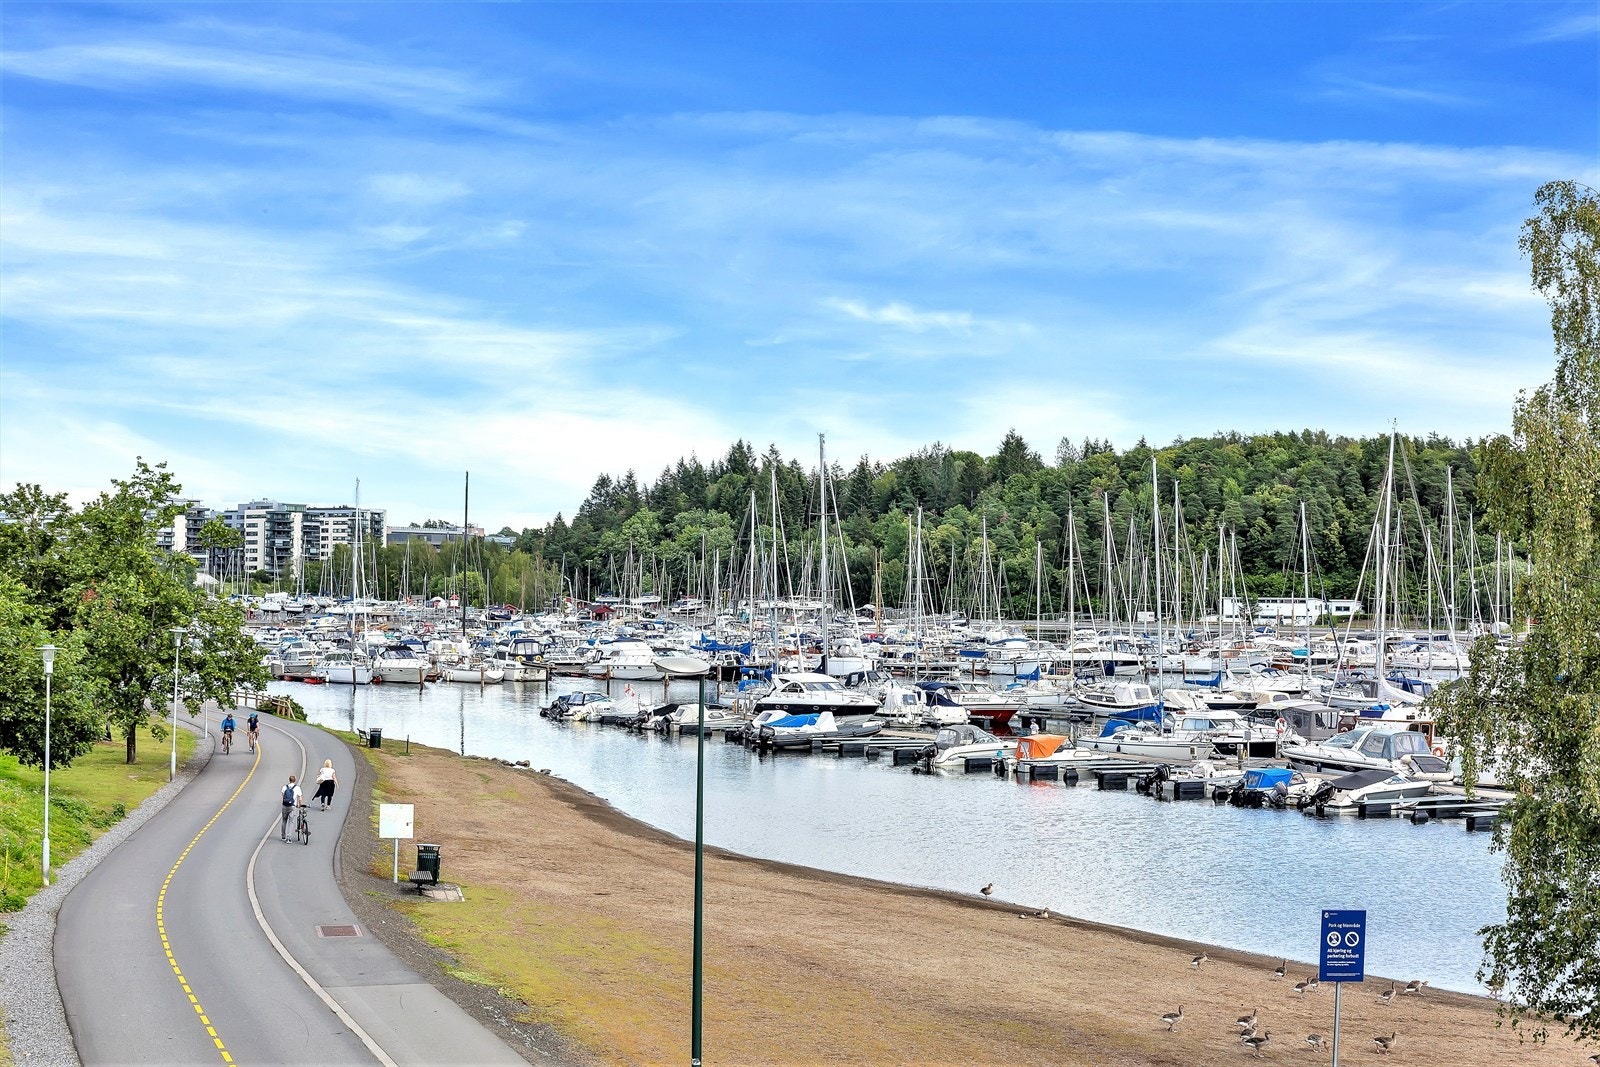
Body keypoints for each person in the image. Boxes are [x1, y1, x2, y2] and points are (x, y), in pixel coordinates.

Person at [280, 774, 303, 841]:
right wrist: (300, 805)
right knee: (291, 821)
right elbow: (300, 798)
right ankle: (289, 837)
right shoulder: (297, 788)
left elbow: (283, 796)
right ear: (295, 780)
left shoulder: (284, 787)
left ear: (289, 780)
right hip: (292, 806)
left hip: (285, 806)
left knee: (284, 820)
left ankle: (283, 836)